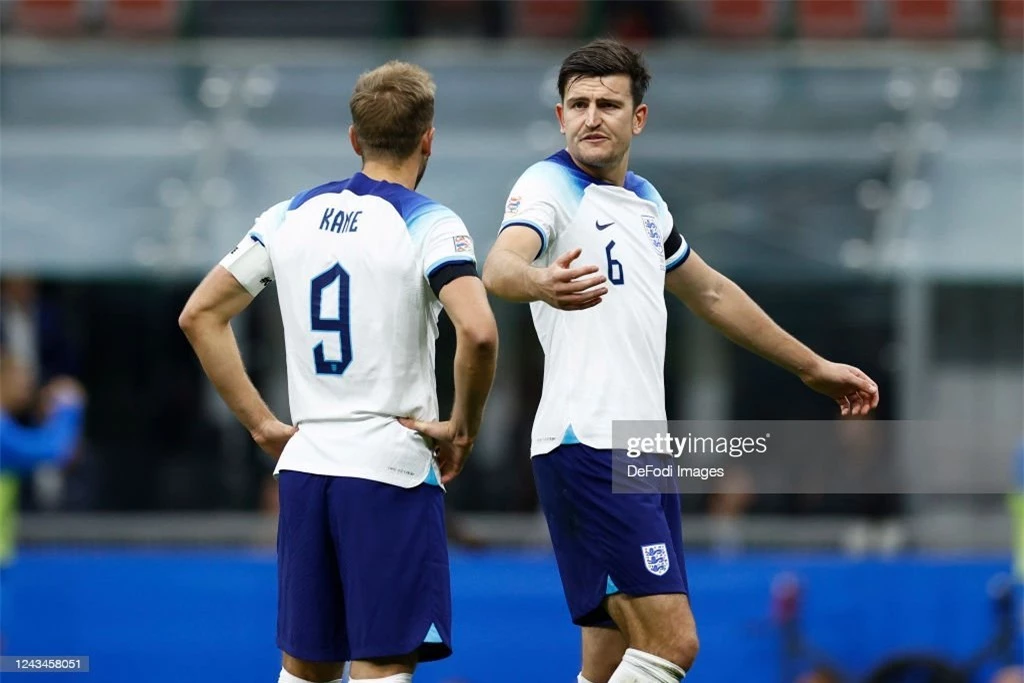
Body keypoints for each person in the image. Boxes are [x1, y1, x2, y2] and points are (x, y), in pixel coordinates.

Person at [481, 39, 879, 683]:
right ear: (559, 117)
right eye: (577, 104)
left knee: (609, 658)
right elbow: (499, 265)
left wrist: (811, 366)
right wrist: (539, 282)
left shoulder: (645, 202)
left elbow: (713, 292)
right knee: (674, 643)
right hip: (591, 444)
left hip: (639, 451)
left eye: (607, 104)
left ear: (638, 118)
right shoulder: (546, 184)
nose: (591, 117)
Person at [179, 61, 498, 683]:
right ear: (428, 137)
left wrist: (262, 424)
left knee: (306, 669)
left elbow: (200, 315)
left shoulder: (287, 215)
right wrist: (464, 427)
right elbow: (480, 331)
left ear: (354, 138)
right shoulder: (431, 222)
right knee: (382, 665)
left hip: (306, 467)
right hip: (388, 468)